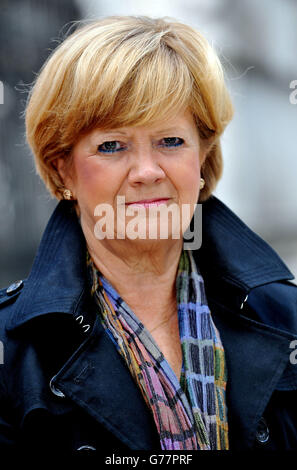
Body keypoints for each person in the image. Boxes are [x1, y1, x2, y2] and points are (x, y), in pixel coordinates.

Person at [0, 16, 296, 455]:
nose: (146, 172)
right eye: (112, 146)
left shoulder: (286, 318)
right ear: (63, 169)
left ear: (203, 157)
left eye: (171, 141)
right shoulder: (13, 349)